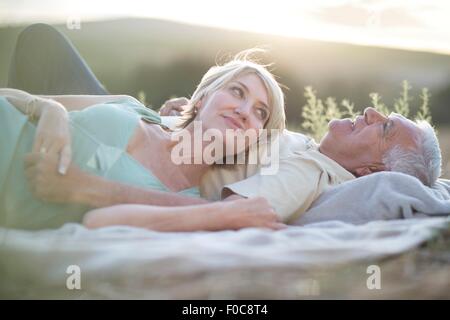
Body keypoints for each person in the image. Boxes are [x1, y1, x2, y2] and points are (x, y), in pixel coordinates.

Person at [1, 24, 287, 231]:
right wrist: (49, 109)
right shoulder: (132, 106)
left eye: (260, 112)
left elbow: (97, 222)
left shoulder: (180, 202)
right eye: (237, 92)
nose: (245, 111)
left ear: (253, 140)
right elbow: (10, 96)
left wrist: (227, 213)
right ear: (201, 99)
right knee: (40, 37)